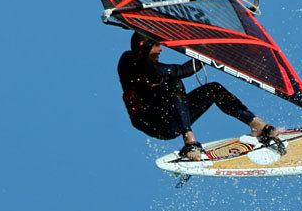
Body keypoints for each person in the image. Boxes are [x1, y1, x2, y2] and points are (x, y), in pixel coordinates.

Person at [118, 32, 281, 160]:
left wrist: (211, 50)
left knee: (213, 89)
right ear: (143, 44)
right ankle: (190, 142)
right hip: (150, 120)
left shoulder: (156, 67)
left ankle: (257, 125)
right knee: (174, 83)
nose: (161, 49)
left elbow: (183, 70)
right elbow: (168, 72)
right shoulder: (128, 60)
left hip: (172, 121)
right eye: (157, 45)